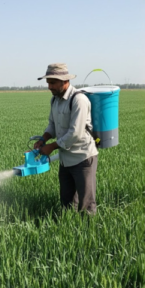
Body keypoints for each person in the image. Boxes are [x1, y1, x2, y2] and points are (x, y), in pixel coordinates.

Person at [34, 63, 99, 214]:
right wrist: (43, 139)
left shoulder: (78, 100)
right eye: (48, 83)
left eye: (52, 83)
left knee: (86, 204)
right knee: (66, 202)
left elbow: (75, 133)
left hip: (82, 158)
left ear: (65, 81)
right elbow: (52, 124)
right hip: (65, 159)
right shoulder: (55, 100)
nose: (49, 87)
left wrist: (51, 147)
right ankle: (69, 225)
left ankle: (88, 228)